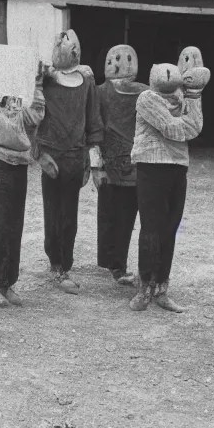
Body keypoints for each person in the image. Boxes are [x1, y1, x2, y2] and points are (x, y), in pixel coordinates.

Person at [129, 54, 208, 313]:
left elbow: (195, 128)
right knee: (151, 228)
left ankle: (161, 288)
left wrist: (193, 98)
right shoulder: (147, 99)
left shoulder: (186, 98)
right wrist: (183, 121)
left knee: (170, 228)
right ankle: (144, 288)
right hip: (151, 167)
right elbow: (170, 128)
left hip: (177, 168)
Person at [35, 29, 103, 294]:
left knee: (69, 214)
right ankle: (55, 261)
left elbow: (94, 122)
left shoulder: (86, 83)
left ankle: (65, 264)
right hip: (52, 156)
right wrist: (39, 154)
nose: (65, 46)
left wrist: (95, 162)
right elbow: (36, 119)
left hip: (75, 156)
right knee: (52, 212)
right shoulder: (47, 82)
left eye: (68, 44)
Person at [0, 58, 45, 307]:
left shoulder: (27, 99)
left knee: (15, 225)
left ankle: (10, 283)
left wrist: (36, 83)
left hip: (21, 166)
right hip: (2, 163)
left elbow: (35, 116)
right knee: (0, 225)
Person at [93, 45, 148, 282]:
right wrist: (96, 164)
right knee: (109, 213)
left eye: (123, 58)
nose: (117, 62)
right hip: (111, 161)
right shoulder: (99, 92)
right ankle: (111, 261)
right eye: (113, 58)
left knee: (126, 215)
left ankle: (119, 263)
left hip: (137, 162)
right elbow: (94, 127)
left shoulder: (144, 93)